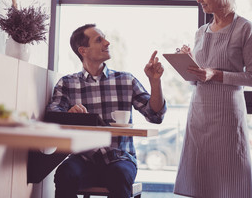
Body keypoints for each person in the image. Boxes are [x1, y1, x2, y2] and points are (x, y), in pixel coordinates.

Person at [46, 24, 167, 198]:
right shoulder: (67, 83)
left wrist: (155, 82)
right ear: (83, 50)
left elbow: (155, 115)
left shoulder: (126, 80)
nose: (107, 42)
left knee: (119, 175)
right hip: (83, 157)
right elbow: (53, 113)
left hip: (120, 158)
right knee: (65, 173)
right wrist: (69, 113)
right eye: (99, 39)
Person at [174, 0, 252, 198]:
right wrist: (188, 63)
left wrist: (216, 74)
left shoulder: (244, 28)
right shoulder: (201, 32)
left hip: (227, 115)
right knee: (199, 182)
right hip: (199, 112)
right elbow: (198, 78)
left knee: (229, 182)